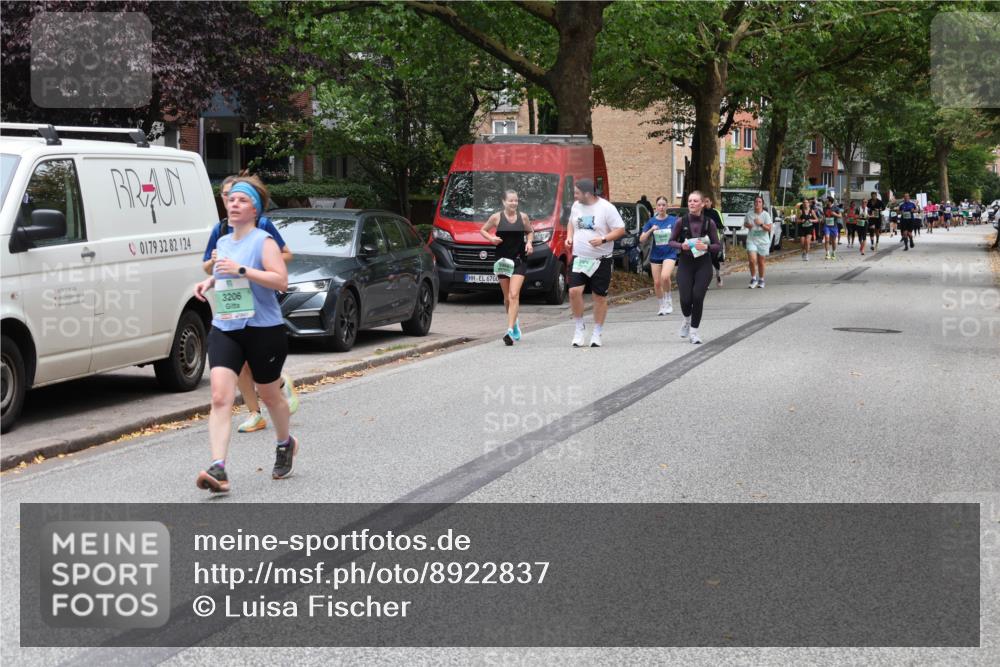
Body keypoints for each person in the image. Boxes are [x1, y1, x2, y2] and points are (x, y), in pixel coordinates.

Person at [193, 177, 297, 493]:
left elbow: (280, 281)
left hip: (263, 329)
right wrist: (209, 283)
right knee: (220, 397)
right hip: (226, 327)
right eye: (231, 199)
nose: (233, 204)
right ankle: (219, 468)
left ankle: (284, 442)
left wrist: (242, 270)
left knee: (269, 395)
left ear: (255, 209)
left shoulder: (263, 241)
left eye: (242, 200)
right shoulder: (223, 242)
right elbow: (224, 274)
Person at [565, 178, 626, 347]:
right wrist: (569, 237)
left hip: (601, 260)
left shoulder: (606, 208)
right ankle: (579, 327)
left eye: (577, 192)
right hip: (580, 258)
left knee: (599, 297)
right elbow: (571, 222)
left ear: (587, 193)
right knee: (574, 292)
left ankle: (597, 331)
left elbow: (620, 230)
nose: (574, 195)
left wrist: (604, 239)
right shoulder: (577, 206)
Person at [668, 191, 722, 344]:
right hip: (686, 264)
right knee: (685, 299)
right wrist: (681, 245)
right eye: (690, 201)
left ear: (702, 204)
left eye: (695, 201)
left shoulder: (708, 223)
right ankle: (686, 320)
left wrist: (706, 247)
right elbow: (671, 242)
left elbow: (717, 246)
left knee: (698, 297)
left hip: (703, 265)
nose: (691, 203)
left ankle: (694, 332)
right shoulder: (681, 221)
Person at [480, 189, 534, 345]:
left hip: (519, 259)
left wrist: (529, 242)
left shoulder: (523, 217)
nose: (514, 203)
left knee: (514, 294)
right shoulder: (496, 217)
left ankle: (509, 331)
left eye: (516, 200)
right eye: (511, 200)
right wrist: (491, 238)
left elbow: (530, 232)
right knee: (506, 298)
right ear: (503, 202)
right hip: (503, 260)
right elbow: (483, 230)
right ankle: (514, 323)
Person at [638, 196, 679, 314]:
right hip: (656, 255)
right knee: (656, 282)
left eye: (663, 205)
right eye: (659, 205)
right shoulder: (651, 221)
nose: (661, 207)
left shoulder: (673, 220)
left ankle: (668, 300)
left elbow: (680, 233)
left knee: (665, 277)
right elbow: (641, 239)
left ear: (667, 206)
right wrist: (651, 230)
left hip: (670, 253)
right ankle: (661, 306)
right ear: (656, 207)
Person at [744, 195, 772, 288]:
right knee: (752, 260)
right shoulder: (749, 214)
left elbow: (769, 229)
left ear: (762, 204)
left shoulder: (766, 215)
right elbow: (745, 224)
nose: (757, 203)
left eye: (759, 202)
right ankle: (753, 278)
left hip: (763, 241)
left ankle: (761, 280)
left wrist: (761, 224)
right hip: (751, 240)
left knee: (761, 261)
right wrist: (749, 225)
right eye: (756, 201)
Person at [702, 195, 725, 286]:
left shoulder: (716, 212)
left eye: (707, 201)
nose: (706, 203)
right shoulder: (700, 212)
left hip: (714, 239)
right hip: (703, 239)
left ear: (711, 202)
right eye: (704, 202)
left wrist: (712, 223)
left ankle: (718, 275)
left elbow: (721, 225)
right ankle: (705, 282)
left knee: (713, 259)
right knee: (704, 260)